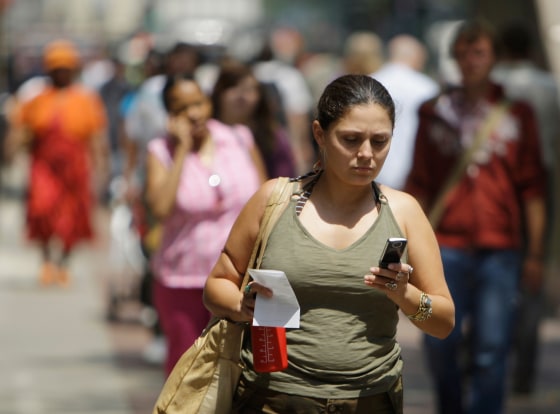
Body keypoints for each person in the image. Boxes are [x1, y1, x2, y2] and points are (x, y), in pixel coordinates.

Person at [203, 74, 455, 413]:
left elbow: (443, 322)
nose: (366, 154)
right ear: (319, 133)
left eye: (380, 141)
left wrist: (405, 295)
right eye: (351, 139)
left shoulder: (405, 211)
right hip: (272, 399)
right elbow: (217, 284)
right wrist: (240, 306)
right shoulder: (273, 200)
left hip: (371, 400)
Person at [405, 20, 548, 414]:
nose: (470, 62)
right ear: (453, 58)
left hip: (499, 248)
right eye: (463, 53)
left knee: (492, 346)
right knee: (438, 340)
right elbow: (418, 184)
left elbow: (533, 189)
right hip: (443, 245)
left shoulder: (518, 114)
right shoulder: (434, 112)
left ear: (494, 58)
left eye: (479, 52)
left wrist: (535, 253)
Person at [145, 74, 267, 375]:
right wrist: (183, 149)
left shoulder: (238, 138)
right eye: (182, 107)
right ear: (170, 114)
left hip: (238, 281)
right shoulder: (161, 151)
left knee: (241, 373)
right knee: (186, 373)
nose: (194, 113)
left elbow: (268, 200)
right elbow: (159, 208)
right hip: (184, 279)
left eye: (198, 103)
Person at [4, 39, 108, 287]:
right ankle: (47, 262)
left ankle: (64, 263)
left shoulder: (86, 100)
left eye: (66, 68)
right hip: (43, 167)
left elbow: (96, 137)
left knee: (72, 216)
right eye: (56, 68)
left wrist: (101, 166)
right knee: (41, 211)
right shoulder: (36, 98)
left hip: (75, 168)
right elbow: (23, 130)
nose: (61, 73)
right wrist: (10, 151)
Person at [492, 21, 560, 395]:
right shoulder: (549, 86)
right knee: (532, 270)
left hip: (495, 183)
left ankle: (491, 357)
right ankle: (524, 372)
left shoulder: (493, 84)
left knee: (491, 267)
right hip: (539, 182)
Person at [372, 34, 440, 190]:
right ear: (417, 57)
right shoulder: (427, 87)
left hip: (374, 170)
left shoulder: (370, 82)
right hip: (413, 171)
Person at [211, 60, 296, 178]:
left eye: (248, 89)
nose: (241, 96)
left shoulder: (273, 137)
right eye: (233, 87)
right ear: (219, 93)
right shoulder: (205, 133)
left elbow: (285, 179)